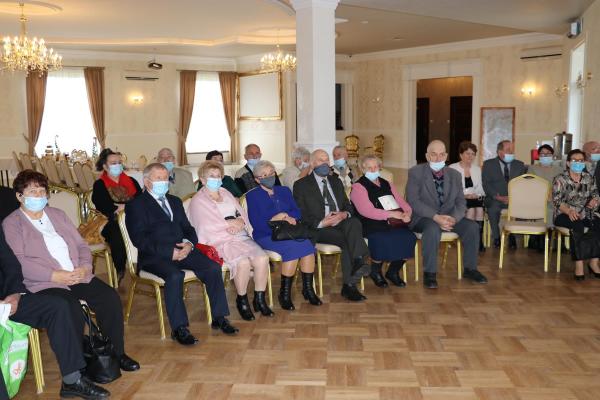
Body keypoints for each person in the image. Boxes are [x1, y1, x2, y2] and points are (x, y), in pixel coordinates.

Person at [2, 171, 139, 381]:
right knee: (70, 307)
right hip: (44, 282)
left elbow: (81, 245)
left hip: (76, 274)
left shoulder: (57, 214)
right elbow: (19, 262)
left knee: (109, 297)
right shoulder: (12, 224)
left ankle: (116, 353)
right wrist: (54, 276)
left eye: (42, 191)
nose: (39, 195)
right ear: (20, 196)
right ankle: (79, 367)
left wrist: (85, 267)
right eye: (32, 191)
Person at [125, 163, 237, 346]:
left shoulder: (175, 201)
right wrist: (169, 252)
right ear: (147, 182)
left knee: (211, 267)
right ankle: (179, 328)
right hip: (155, 256)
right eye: (158, 178)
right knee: (175, 276)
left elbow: (188, 228)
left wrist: (189, 244)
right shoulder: (136, 205)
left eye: (165, 178)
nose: (164, 182)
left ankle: (219, 317)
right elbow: (139, 239)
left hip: (183, 250)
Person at [0, 227, 111, 399]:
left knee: (59, 306)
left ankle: (71, 380)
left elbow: (10, 264)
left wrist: (15, 294)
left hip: (7, 300)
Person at [188, 160, 273, 321]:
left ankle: (259, 299)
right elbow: (204, 225)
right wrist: (228, 224)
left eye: (218, 175)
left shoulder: (225, 192)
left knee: (262, 258)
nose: (216, 179)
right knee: (243, 263)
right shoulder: (198, 200)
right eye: (212, 176)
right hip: (218, 240)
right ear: (203, 179)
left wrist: (240, 221)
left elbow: (239, 211)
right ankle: (242, 300)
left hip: (239, 235)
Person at [406, 140, 488, 289]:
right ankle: (430, 273)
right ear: (427, 156)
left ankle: (470, 269)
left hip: (449, 217)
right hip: (424, 218)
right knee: (432, 228)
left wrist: (453, 218)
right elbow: (413, 201)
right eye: (434, 154)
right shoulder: (416, 172)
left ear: (446, 156)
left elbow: (461, 202)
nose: (438, 158)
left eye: (441, 154)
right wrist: (436, 217)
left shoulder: (454, 174)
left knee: (472, 227)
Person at [293, 150, 370, 301]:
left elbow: (348, 206)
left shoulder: (336, 181)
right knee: (348, 239)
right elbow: (300, 214)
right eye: (320, 160)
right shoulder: (301, 185)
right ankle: (351, 282)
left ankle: (358, 261)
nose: (325, 163)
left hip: (340, 222)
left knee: (353, 221)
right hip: (319, 228)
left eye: (327, 160)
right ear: (312, 164)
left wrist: (344, 214)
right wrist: (322, 222)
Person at [246, 160, 321, 310]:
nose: (269, 177)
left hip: (289, 231)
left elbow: (297, 211)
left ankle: (308, 289)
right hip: (266, 234)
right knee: (293, 249)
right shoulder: (252, 196)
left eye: (271, 173)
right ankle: (284, 294)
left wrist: (287, 216)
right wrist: (274, 219)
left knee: (307, 245)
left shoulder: (284, 190)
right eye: (264, 175)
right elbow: (256, 222)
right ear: (257, 179)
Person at [350, 155, 416, 288]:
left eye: (376, 167)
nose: (373, 170)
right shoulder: (358, 187)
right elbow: (366, 211)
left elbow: (402, 202)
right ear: (362, 169)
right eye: (369, 167)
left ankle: (393, 271)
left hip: (394, 221)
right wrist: (391, 214)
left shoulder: (387, 184)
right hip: (370, 223)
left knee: (409, 237)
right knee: (383, 239)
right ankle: (375, 271)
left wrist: (407, 213)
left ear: (380, 167)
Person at [92, 148, 142, 283]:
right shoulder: (100, 185)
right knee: (117, 232)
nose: (117, 165)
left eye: (119, 162)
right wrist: (128, 206)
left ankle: (143, 268)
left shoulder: (131, 181)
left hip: (134, 219)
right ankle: (120, 268)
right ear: (105, 166)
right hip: (110, 221)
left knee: (147, 229)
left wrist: (124, 206)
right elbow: (106, 207)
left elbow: (141, 202)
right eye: (113, 163)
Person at [552, 149, 600, 280]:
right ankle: (579, 265)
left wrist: (594, 201)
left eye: (581, 160)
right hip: (563, 214)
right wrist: (569, 211)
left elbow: (595, 194)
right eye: (575, 160)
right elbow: (557, 201)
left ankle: (594, 262)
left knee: (598, 224)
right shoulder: (560, 179)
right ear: (568, 163)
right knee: (577, 224)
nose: (578, 163)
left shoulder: (589, 178)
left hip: (584, 213)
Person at [482, 140, 527, 248]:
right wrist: (497, 196)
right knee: (493, 209)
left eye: (512, 150)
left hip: (514, 199)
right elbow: (486, 183)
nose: (511, 152)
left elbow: (523, 184)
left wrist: (513, 197)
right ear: (499, 152)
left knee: (520, 208)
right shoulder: (488, 164)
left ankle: (512, 235)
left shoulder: (519, 165)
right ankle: (496, 237)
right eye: (508, 150)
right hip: (495, 198)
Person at [449, 141, 486, 252]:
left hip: (474, 199)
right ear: (461, 155)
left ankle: (478, 240)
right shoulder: (452, 168)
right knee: (471, 210)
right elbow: (451, 190)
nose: (470, 156)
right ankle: (468, 240)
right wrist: (465, 195)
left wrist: (477, 195)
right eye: (467, 153)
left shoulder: (477, 169)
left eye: (473, 154)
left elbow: (480, 188)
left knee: (479, 209)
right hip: (458, 199)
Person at [528, 144, 563, 234]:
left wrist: (552, 192)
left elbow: (562, 184)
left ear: (552, 155)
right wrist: (544, 193)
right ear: (539, 156)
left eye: (548, 153)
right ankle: (539, 236)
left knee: (555, 206)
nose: (545, 156)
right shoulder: (532, 168)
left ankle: (552, 233)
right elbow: (530, 184)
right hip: (538, 197)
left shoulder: (559, 169)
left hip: (554, 197)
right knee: (542, 207)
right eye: (543, 154)